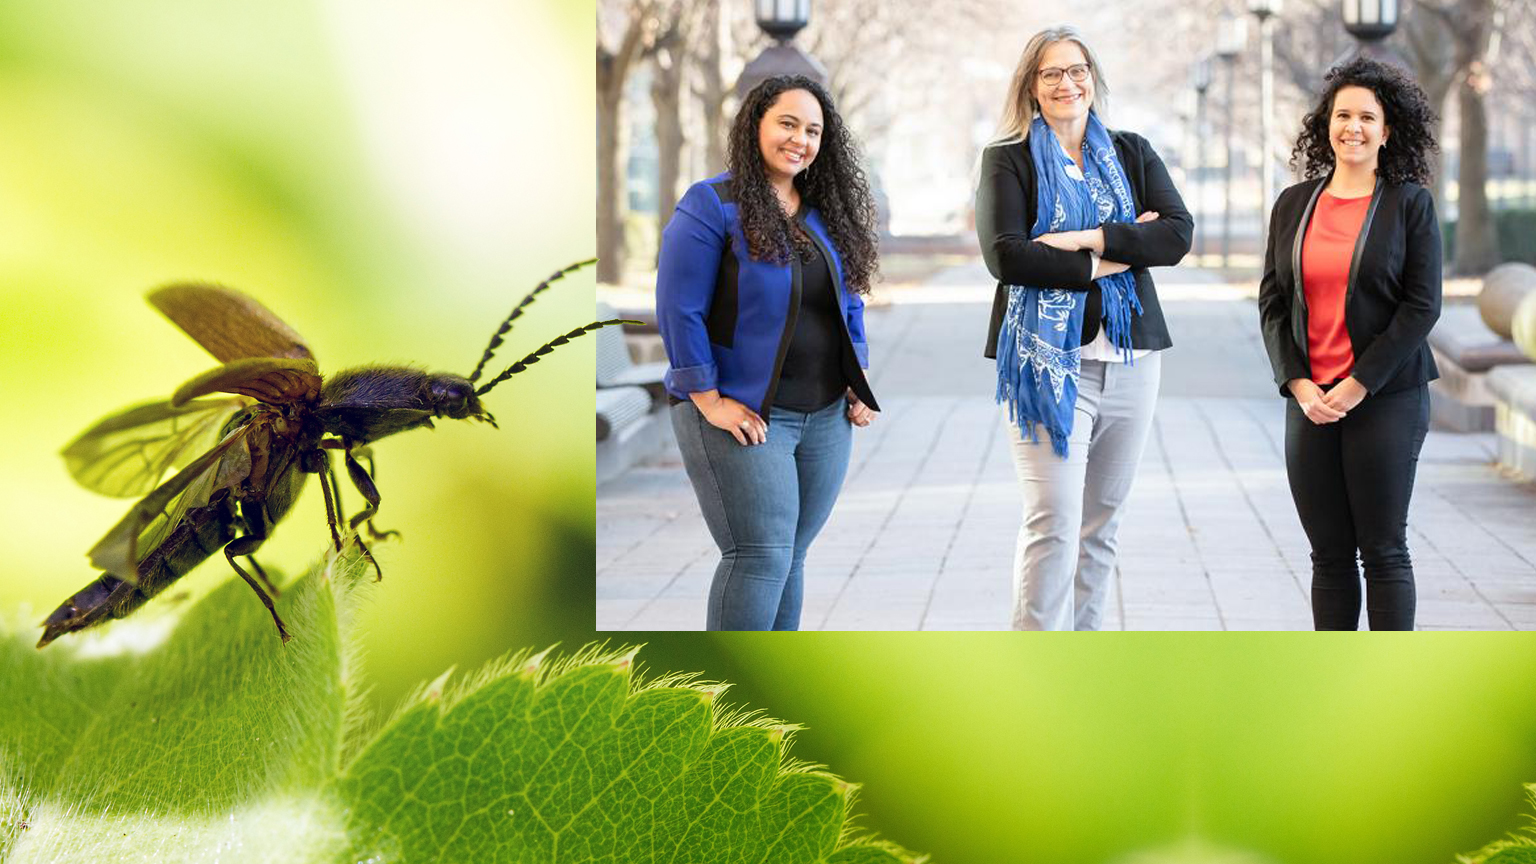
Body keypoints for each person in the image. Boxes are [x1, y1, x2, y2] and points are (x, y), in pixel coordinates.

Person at [974, 26, 1192, 631]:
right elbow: (1007, 257)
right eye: (1052, 74)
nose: (1068, 83)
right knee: (1054, 523)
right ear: (1031, 87)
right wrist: (1121, 249)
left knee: (1103, 526)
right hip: (1047, 363)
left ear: (1092, 79)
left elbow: (1175, 234)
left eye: (1078, 71)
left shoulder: (1132, 152)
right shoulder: (1007, 159)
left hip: (1132, 360)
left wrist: (1083, 239)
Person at [655, 74, 881, 631]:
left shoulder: (822, 210)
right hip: (745, 412)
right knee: (758, 556)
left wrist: (858, 377)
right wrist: (707, 398)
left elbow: (848, 301)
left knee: (789, 557)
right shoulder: (712, 204)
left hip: (826, 416)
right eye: (787, 123)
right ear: (755, 122)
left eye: (813, 130)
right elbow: (677, 307)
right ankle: (724, 703)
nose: (800, 139)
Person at [1257, 57, 1441, 631]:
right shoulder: (1293, 205)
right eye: (1342, 115)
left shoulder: (1410, 204)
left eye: (1367, 117)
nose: (1353, 127)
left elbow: (1421, 306)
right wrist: (1298, 381)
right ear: (1325, 125)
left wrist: (1360, 384)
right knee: (1328, 558)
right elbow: (1272, 303)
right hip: (1310, 402)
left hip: (1385, 398)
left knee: (1383, 552)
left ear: (1388, 132)